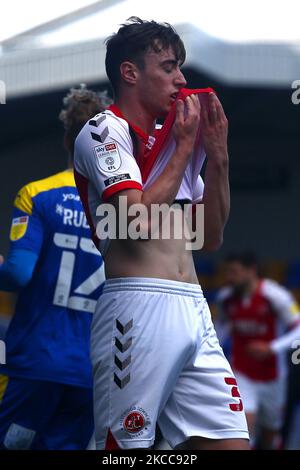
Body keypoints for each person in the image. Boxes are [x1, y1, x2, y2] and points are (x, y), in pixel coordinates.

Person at [74, 17, 249, 450]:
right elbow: (134, 223)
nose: (181, 79)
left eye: (180, 68)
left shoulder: (175, 138)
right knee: (124, 450)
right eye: (168, 67)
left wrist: (219, 158)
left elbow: (208, 238)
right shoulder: (103, 130)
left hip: (194, 306)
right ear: (130, 73)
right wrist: (187, 146)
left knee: (229, 444)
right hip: (137, 306)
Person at [0, 85, 107, 449]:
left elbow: (17, 274)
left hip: (34, 364)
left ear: (67, 140)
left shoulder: (38, 194)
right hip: (91, 373)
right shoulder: (121, 210)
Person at [216, 252, 300, 449]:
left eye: (234, 272)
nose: (229, 278)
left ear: (251, 271)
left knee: (271, 434)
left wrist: (271, 348)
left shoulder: (275, 295)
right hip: (242, 374)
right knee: (245, 428)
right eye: (227, 272)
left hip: (273, 376)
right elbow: (220, 330)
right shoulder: (225, 298)